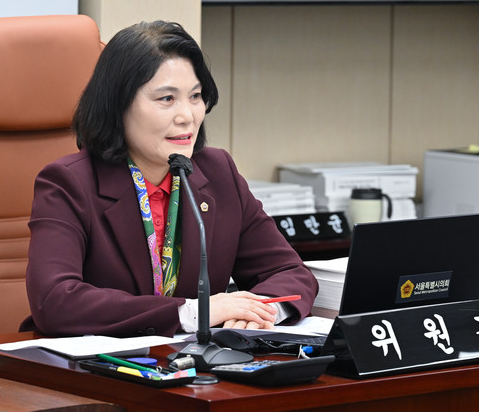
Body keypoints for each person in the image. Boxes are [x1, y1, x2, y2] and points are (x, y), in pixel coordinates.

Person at [20, 20, 318, 338]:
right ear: (118, 105)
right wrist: (192, 313)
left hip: (196, 362)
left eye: (195, 96)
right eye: (166, 99)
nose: (187, 116)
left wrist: (259, 313)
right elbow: (55, 301)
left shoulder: (218, 172)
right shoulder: (68, 184)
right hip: (97, 362)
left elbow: (291, 273)